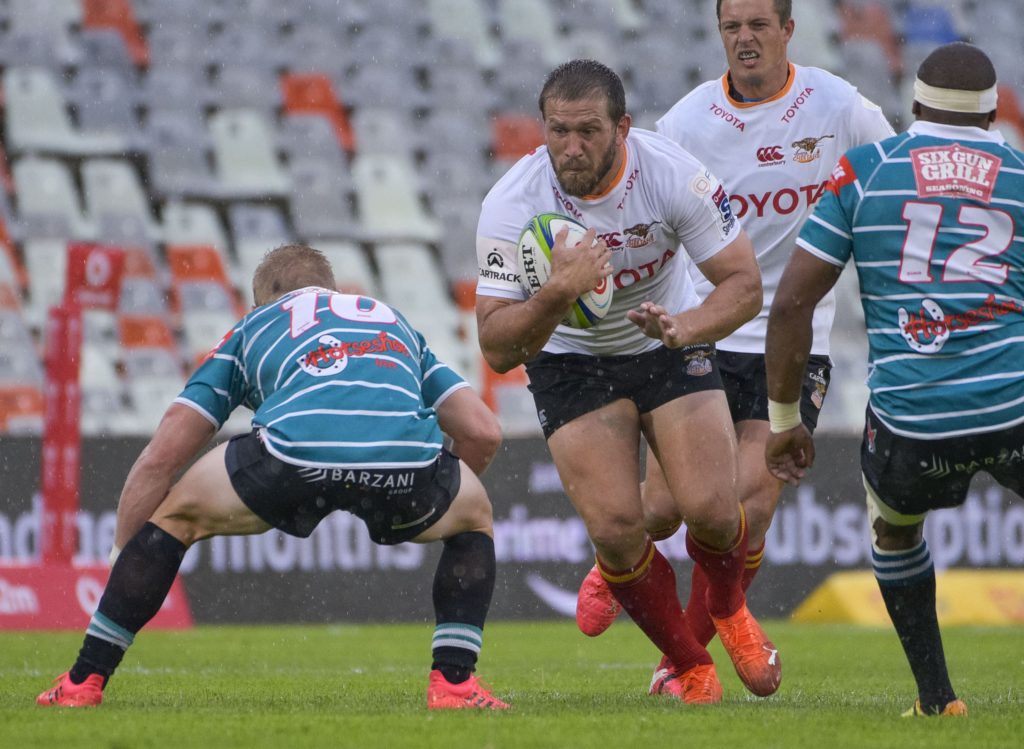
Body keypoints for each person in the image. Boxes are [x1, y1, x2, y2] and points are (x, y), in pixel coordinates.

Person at [36, 244, 509, 711]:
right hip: (405, 461)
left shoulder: (255, 325)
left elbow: (161, 458)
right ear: (332, 290)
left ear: (265, 298)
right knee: (474, 519)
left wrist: (126, 560)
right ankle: (453, 683)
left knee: (175, 520)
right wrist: (430, 496)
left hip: (290, 454)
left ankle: (85, 680)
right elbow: (483, 432)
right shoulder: (391, 319)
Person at [574, 0, 895, 658]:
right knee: (669, 509)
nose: (744, 38)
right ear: (720, 33)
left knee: (751, 506)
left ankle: (682, 661)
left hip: (793, 339)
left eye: (758, 25)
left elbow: (892, 181)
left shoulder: (841, 109)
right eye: (731, 27)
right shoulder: (688, 122)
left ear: (787, 30)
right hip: (708, 328)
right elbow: (638, 200)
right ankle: (613, 557)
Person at [476, 58, 780, 704]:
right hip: (569, 360)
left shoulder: (673, 176)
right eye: (557, 131)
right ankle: (690, 663)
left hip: (665, 338)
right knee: (617, 530)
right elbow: (497, 346)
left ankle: (729, 610)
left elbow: (745, 285)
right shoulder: (511, 201)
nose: (572, 147)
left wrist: (687, 324)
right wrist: (558, 292)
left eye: (588, 130)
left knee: (714, 511)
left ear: (624, 128)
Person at [764, 41, 1024, 717]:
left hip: (912, 419)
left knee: (895, 529)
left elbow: (792, 303)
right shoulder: (1021, 173)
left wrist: (786, 422)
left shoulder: (864, 172)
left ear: (913, 105)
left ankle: (937, 699)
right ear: (994, 113)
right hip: (1014, 405)